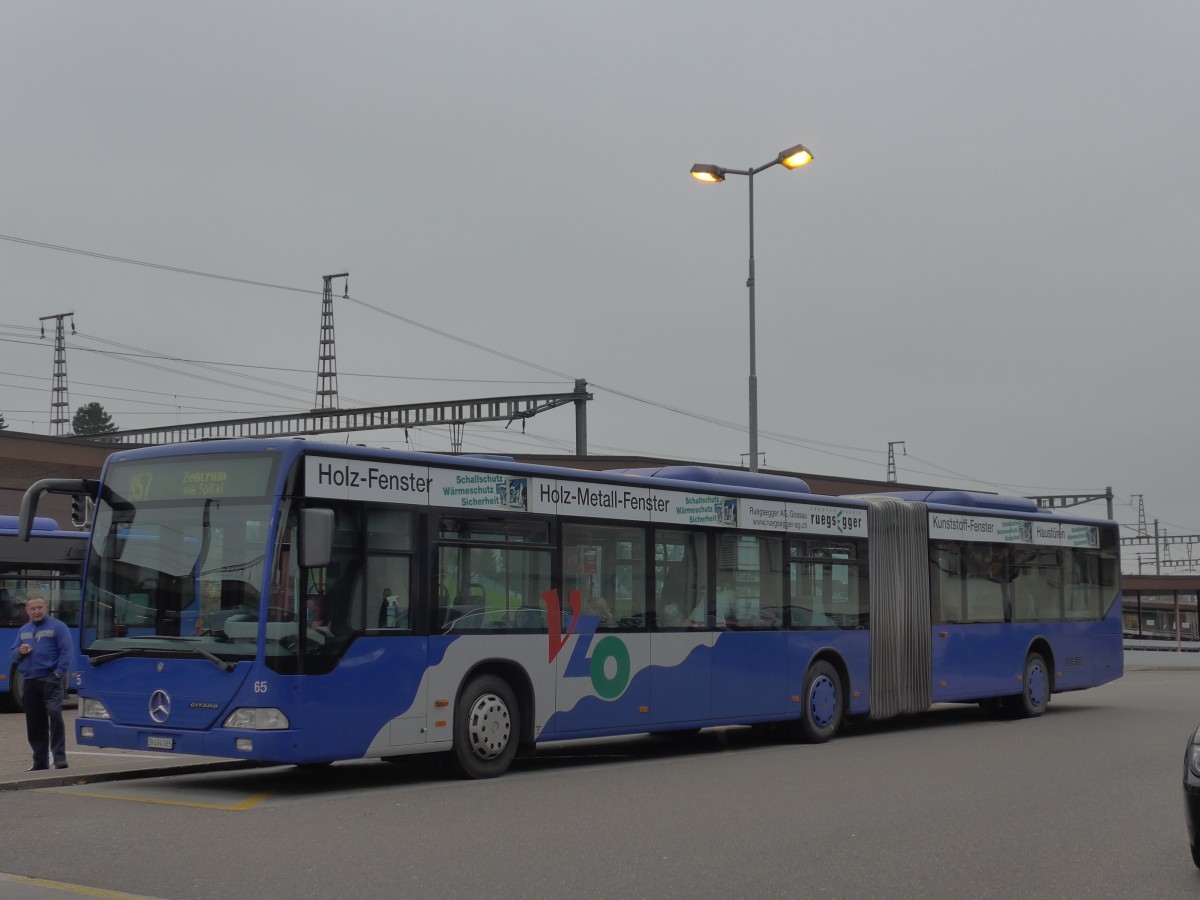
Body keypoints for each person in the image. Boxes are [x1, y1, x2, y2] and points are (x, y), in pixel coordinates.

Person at [10, 595, 72, 771]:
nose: (36, 611)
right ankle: (40, 762)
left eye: (40, 608)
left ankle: (59, 758)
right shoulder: (23, 630)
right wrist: (19, 651)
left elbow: (66, 652)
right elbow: (13, 654)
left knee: (54, 714)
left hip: (50, 679)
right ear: (27, 611)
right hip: (29, 681)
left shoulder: (58, 627)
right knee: (35, 722)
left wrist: (58, 673)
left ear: (46, 608)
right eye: (33, 608)